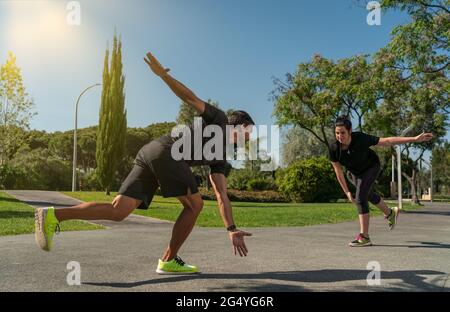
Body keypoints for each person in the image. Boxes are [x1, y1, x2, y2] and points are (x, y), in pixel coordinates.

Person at [34, 52, 255, 274]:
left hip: (150, 152)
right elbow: (190, 98)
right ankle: (169, 260)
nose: (249, 137)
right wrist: (163, 76)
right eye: (249, 131)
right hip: (168, 152)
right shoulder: (219, 120)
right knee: (195, 205)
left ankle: (53, 215)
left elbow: (221, 194)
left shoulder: (220, 156)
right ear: (239, 125)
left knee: (118, 211)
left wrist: (231, 228)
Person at [329, 115, 433, 247]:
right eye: (337, 133)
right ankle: (390, 212)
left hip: (371, 167)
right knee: (366, 194)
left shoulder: (361, 138)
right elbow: (338, 171)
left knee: (361, 198)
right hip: (354, 172)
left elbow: (387, 141)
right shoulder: (334, 148)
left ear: (350, 131)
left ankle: (364, 237)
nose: (339, 136)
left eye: (342, 133)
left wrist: (414, 139)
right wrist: (347, 191)